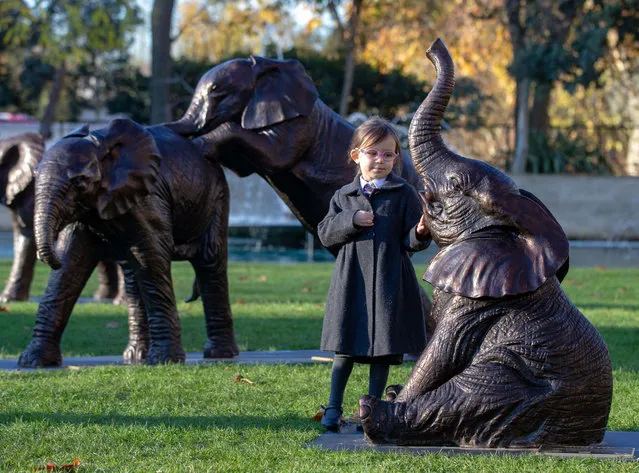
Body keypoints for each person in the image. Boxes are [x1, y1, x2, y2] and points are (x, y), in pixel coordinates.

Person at [317, 117, 431, 431]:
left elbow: (409, 242)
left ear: (396, 158)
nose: (380, 160)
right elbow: (326, 233)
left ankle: (372, 408)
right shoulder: (344, 196)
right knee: (346, 348)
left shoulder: (403, 193)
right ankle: (333, 407)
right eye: (372, 153)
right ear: (356, 156)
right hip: (352, 281)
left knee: (383, 350)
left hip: (390, 282)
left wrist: (420, 232)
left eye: (388, 154)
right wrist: (352, 219)